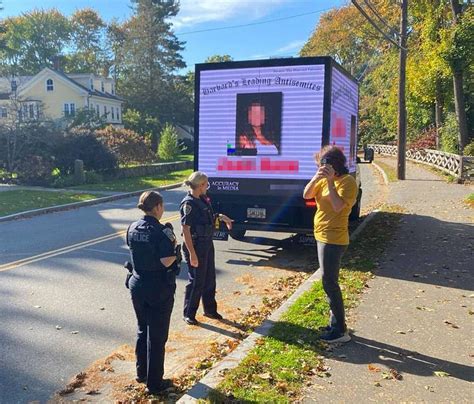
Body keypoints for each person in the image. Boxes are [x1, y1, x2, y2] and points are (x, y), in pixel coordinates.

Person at [126, 191, 180, 394]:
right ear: (157, 207)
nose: (163, 209)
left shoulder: (132, 227)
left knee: (142, 329)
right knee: (157, 337)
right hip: (158, 288)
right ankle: (155, 383)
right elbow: (166, 260)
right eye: (162, 205)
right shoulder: (161, 231)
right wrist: (176, 253)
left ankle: (142, 373)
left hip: (137, 285)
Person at [303, 146, 358, 343]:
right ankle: (335, 323)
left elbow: (337, 207)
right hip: (321, 235)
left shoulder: (347, 182)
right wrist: (316, 177)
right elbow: (307, 195)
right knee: (328, 282)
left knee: (330, 283)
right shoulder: (323, 180)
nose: (322, 167)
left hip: (334, 239)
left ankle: (340, 331)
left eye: (325, 165)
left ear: (335, 165)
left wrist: (329, 181)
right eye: (320, 165)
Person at [180, 171, 233, 325]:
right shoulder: (188, 204)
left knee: (209, 278)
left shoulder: (203, 199)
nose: (207, 187)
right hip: (195, 245)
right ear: (201, 185)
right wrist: (192, 254)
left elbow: (208, 217)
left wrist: (222, 217)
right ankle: (189, 313)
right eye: (206, 184)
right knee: (196, 280)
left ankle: (210, 309)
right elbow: (185, 230)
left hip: (207, 243)